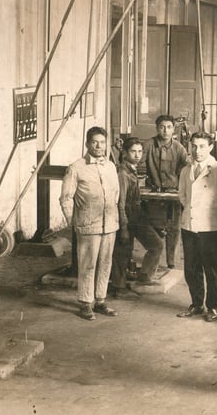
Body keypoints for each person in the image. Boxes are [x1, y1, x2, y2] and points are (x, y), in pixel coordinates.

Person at [60, 126, 120, 321]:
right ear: (87, 144)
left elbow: (116, 194)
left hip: (109, 224)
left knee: (105, 263)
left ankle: (100, 300)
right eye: (95, 142)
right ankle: (86, 303)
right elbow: (66, 198)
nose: (99, 145)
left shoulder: (110, 166)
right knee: (87, 265)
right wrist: (73, 221)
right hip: (88, 225)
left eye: (102, 142)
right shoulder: (76, 168)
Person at [176, 132, 217, 322]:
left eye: (201, 146)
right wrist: (190, 214)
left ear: (210, 148)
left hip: (211, 227)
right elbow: (182, 196)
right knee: (191, 268)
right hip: (189, 225)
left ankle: (212, 307)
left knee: (212, 268)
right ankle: (197, 304)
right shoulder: (186, 170)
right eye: (194, 146)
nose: (197, 150)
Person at [110, 138, 163, 298]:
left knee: (156, 245)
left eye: (140, 151)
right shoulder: (122, 173)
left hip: (137, 215)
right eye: (133, 151)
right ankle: (119, 288)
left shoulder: (132, 169)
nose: (137, 155)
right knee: (122, 251)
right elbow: (120, 203)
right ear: (125, 153)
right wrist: (124, 227)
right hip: (125, 217)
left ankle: (144, 276)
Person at [142, 114, 189, 270]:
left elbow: (188, 165)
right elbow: (138, 162)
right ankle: (153, 261)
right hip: (153, 194)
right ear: (157, 129)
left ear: (173, 129)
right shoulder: (148, 144)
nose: (165, 131)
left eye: (169, 127)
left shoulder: (178, 147)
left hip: (173, 194)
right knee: (153, 227)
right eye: (162, 127)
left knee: (174, 228)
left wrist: (180, 181)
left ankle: (171, 262)